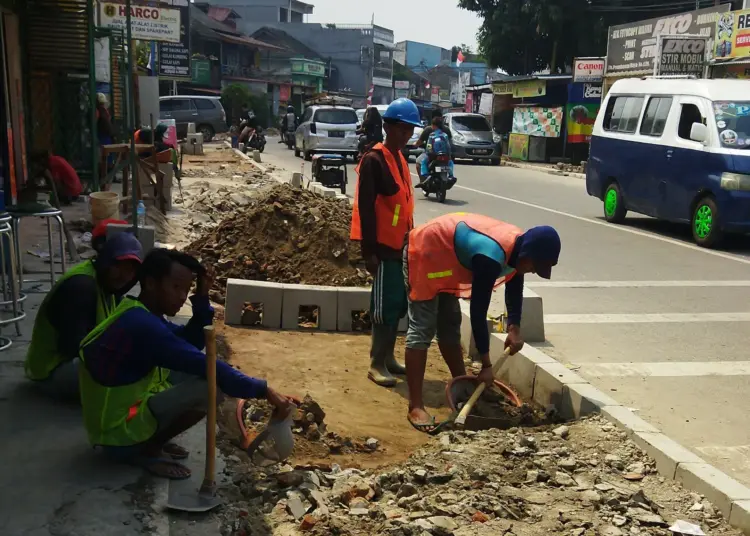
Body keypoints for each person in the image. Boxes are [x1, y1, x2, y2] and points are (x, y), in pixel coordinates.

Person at [78, 248, 293, 480]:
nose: (182, 296)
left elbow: (190, 340)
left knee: (201, 375)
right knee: (208, 388)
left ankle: (150, 439)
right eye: (176, 287)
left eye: (187, 289)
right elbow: (206, 364)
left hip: (114, 420)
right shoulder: (143, 326)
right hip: (117, 436)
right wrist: (265, 390)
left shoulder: (138, 312)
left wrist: (201, 296)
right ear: (150, 284)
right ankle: (146, 449)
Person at [402, 214, 561, 432]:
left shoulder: (517, 250)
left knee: (450, 323)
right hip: (426, 251)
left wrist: (514, 329)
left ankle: (464, 384)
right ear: (528, 253)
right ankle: (416, 406)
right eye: (535, 265)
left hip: (447, 256)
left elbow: (515, 287)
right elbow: (478, 312)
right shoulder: (490, 256)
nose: (533, 270)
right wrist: (486, 365)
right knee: (422, 328)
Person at [350, 98, 421, 387]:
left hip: (400, 248)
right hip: (381, 248)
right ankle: (376, 363)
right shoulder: (374, 160)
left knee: (395, 304)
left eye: (410, 131)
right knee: (382, 308)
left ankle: (389, 357)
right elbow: (366, 209)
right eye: (401, 130)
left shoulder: (399, 159)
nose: (406, 136)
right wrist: (369, 252)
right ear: (388, 127)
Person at [24, 232, 143, 401]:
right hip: (53, 371)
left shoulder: (107, 286)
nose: (123, 276)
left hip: (71, 362)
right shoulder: (82, 288)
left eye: (130, 271)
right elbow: (70, 345)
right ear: (106, 262)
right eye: (118, 267)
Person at [418, 115, 455, 184]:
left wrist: (428, 153)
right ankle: (451, 175)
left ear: (434, 126)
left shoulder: (432, 135)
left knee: (423, 162)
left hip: (434, 155)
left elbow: (429, 146)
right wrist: (449, 155)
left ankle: (426, 175)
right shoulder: (445, 135)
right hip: (445, 155)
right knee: (450, 162)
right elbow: (448, 146)